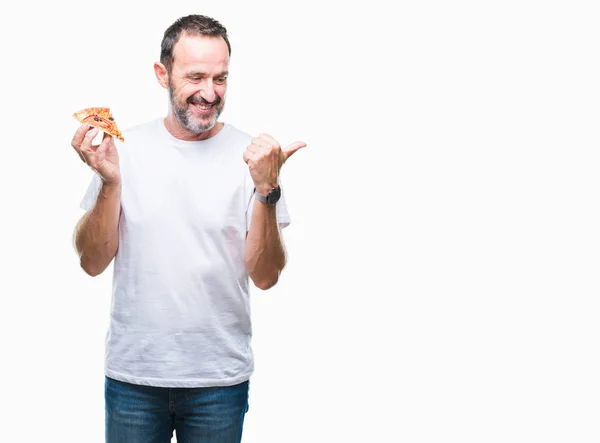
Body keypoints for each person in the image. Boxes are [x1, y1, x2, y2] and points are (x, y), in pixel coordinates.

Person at [70, 14, 305, 443]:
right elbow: (91, 261)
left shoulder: (253, 159)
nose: (209, 93)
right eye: (195, 76)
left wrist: (268, 189)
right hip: (135, 378)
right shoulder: (125, 150)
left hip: (219, 382)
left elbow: (266, 276)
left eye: (221, 78)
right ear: (163, 74)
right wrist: (110, 182)